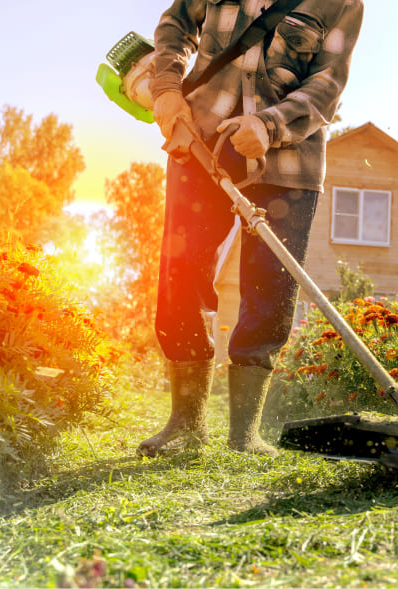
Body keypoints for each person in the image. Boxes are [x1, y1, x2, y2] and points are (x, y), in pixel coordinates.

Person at [123, 0, 364, 457]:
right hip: (199, 138)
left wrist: (269, 125)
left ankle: (244, 435)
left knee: (270, 286)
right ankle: (186, 425)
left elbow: (328, 84)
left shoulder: (342, 3)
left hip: (287, 157)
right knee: (180, 273)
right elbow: (176, 24)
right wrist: (168, 87)